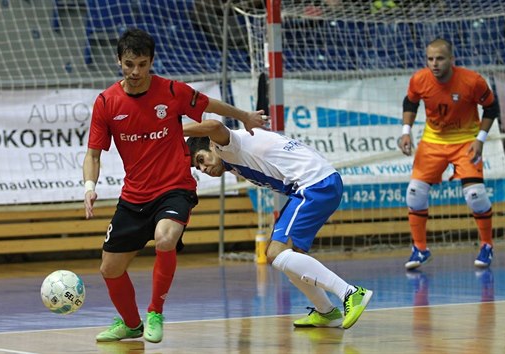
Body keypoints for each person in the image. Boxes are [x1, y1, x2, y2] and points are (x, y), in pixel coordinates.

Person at [82, 28, 268, 343]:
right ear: (119, 62)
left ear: (151, 62)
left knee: (165, 239)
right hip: (134, 196)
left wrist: (245, 116)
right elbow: (93, 154)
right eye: (129, 64)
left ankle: (155, 312)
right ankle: (131, 324)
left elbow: (212, 107)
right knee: (109, 269)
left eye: (142, 64)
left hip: (174, 187)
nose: (136, 71)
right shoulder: (106, 102)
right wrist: (89, 186)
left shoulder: (171, 91)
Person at [184, 119, 373, 329]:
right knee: (293, 256)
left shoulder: (227, 146)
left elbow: (215, 126)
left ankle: (350, 293)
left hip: (312, 185)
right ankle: (326, 311)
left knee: (275, 253)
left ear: (211, 145)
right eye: (197, 166)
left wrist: (171, 129)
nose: (202, 168)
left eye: (201, 159)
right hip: (321, 182)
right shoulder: (231, 157)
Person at [398, 38, 500, 270]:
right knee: (414, 193)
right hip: (433, 141)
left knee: (476, 195)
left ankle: (487, 245)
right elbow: (410, 102)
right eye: (430, 59)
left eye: (440, 58)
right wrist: (406, 132)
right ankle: (420, 249)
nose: (434, 63)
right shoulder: (419, 80)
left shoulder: (472, 81)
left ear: (452, 60)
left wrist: (480, 140)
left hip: (466, 142)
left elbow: (492, 108)